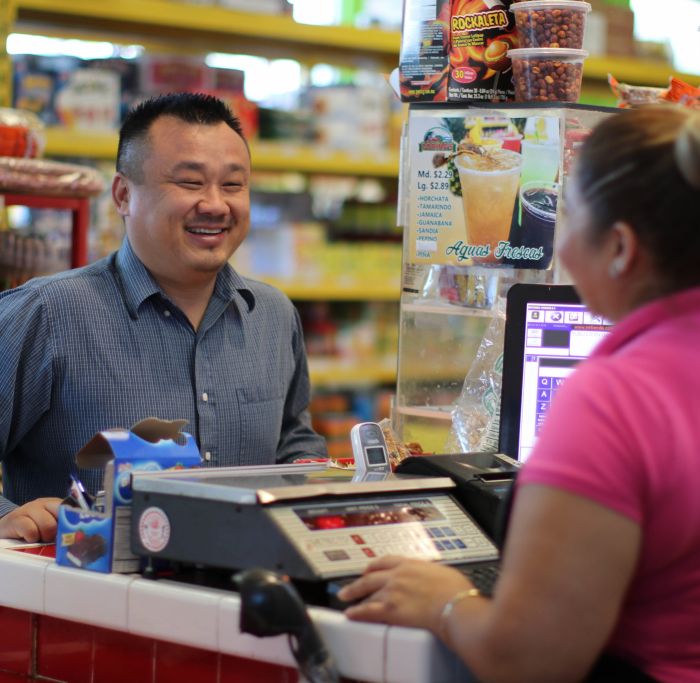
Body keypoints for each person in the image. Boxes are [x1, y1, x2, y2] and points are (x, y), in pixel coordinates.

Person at [338, 106, 700, 683]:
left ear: (620, 248)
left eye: (567, 214)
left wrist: (447, 601)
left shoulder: (615, 399)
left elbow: (531, 660)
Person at [0, 93, 327, 543]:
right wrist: (6, 517)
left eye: (233, 184)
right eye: (190, 182)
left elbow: (294, 441)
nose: (215, 204)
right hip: (88, 601)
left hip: (241, 595)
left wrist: (315, 480)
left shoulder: (272, 317)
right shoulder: (48, 314)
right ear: (123, 194)